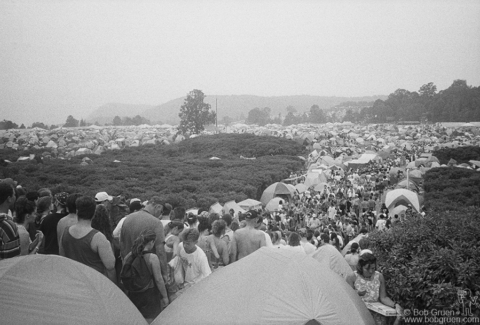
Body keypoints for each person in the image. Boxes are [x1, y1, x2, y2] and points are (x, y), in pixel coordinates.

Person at [60, 196, 116, 283]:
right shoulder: (98, 237)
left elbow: (62, 258)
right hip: (93, 284)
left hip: (72, 281)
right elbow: (110, 267)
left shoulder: (65, 232)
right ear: (93, 213)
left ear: (77, 212)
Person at [123, 230, 169, 321]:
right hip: (149, 296)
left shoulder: (128, 256)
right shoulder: (152, 258)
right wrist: (165, 297)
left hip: (133, 294)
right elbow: (159, 280)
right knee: (150, 320)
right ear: (151, 242)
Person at [120, 196, 168, 283]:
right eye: (161, 211)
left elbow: (122, 244)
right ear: (158, 206)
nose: (160, 214)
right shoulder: (156, 223)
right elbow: (160, 251)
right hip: (147, 275)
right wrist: (165, 274)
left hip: (129, 272)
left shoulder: (127, 219)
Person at [348, 253, 403, 325]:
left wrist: (395, 305)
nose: (371, 271)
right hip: (360, 313)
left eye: (373, 268)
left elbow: (383, 297)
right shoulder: (352, 277)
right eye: (367, 269)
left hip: (377, 313)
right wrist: (357, 293)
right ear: (361, 267)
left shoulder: (379, 276)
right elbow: (348, 299)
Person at [0, 182, 20, 260]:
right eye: (14, 194)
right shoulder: (7, 226)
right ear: (9, 199)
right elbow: (11, 262)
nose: (15, 197)